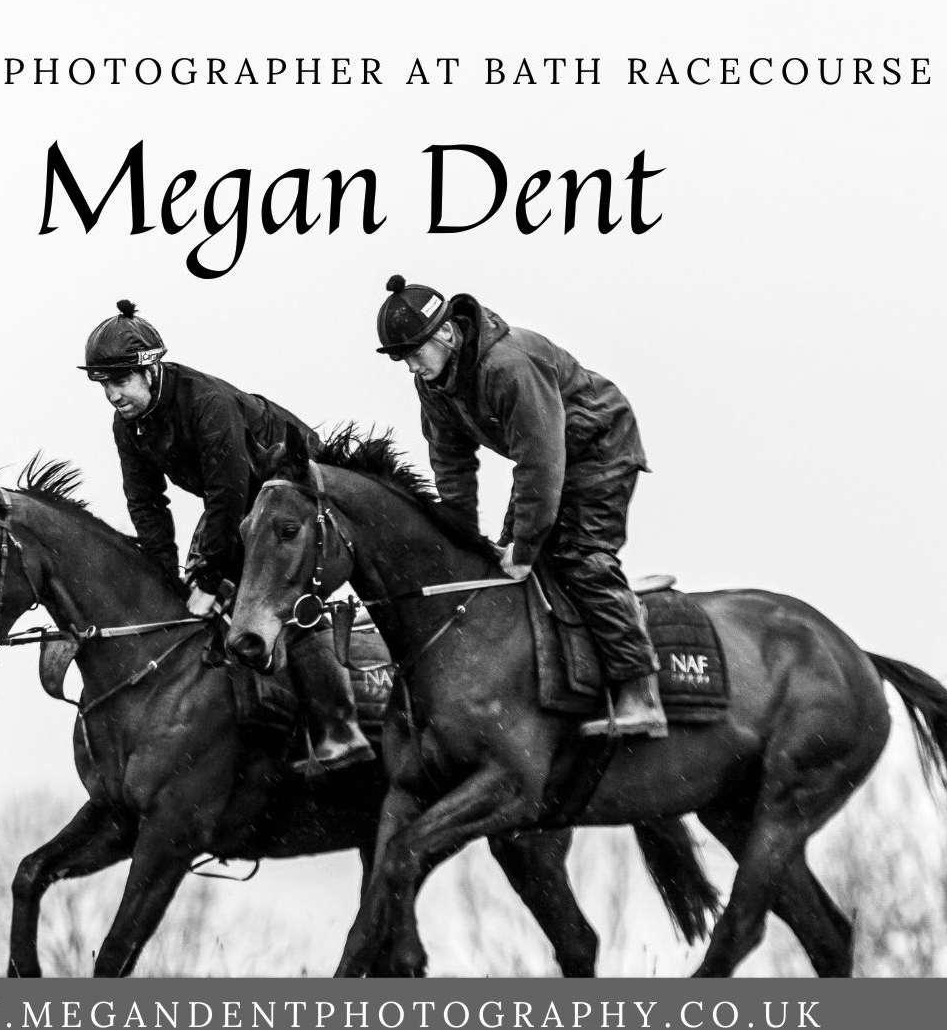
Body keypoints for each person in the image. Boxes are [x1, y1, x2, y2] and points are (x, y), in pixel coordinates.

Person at [80, 299, 373, 770]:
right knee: (194, 591)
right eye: (103, 385)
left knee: (272, 593)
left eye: (120, 381)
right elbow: (147, 504)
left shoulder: (206, 403)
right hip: (242, 504)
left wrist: (212, 578)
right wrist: (164, 576)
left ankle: (339, 732)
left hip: (288, 490)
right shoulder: (128, 425)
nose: (112, 395)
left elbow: (228, 495)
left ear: (151, 371)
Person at [375, 275, 667, 739]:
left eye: (414, 352)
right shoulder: (433, 384)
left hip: (600, 449)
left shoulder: (508, 365)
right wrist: (460, 541)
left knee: (578, 557)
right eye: (401, 358)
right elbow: (451, 465)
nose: (411, 365)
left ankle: (639, 691)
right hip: (548, 460)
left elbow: (541, 463)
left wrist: (527, 547)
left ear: (446, 332)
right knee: (501, 561)